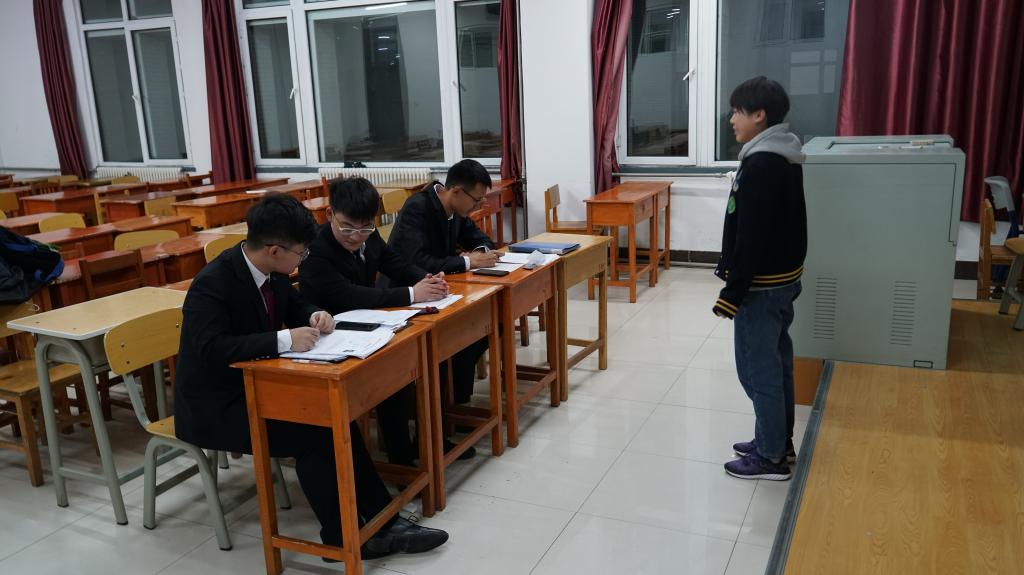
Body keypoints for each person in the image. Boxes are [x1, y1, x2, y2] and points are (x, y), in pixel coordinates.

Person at [174, 194, 449, 558]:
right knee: (315, 432)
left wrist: (314, 314)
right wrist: (284, 339)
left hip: (260, 384)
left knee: (334, 416)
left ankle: (384, 520)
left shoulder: (271, 271)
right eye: (301, 253)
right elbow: (212, 348)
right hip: (215, 405)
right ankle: (342, 538)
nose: (303, 259)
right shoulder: (213, 283)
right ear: (275, 251)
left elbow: (294, 304)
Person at [299, 177, 474, 464]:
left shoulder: (368, 235)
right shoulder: (315, 250)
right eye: (347, 228)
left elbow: (394, 262)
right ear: (330, 215)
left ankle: (428, 437)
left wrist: (426, 280)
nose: (356, 236)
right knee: (394, 372)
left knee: (429, 358)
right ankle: (401, 458)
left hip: (370, 325)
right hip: (332, 339)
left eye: (365, 228)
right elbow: (351, 295)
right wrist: (412, 294)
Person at [713, 76, 807, 481]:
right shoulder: (783, 154)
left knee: (758, 372)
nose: (732, 119)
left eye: (737, 111)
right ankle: (776, 440)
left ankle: (771, 459)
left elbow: (752, 236)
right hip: (781, 280)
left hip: (761, 287)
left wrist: (732, 292)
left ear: (759, 115)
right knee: (778, 364)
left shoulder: (763, 164)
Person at [387, 159, 496, 407]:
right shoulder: (418, 207)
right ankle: (443, 406)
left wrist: (481, 252)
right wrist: (467, 262)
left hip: (441, 290)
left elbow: (480, 239)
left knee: (486, 324)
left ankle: (454, 400)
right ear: (456, 191)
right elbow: (416, 261)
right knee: (462, 332)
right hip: (406, 294)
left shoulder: (456, 211)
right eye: (476, 200)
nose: (478, 206)